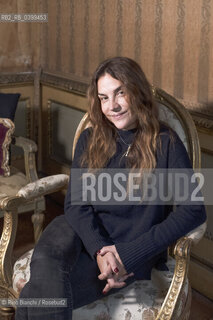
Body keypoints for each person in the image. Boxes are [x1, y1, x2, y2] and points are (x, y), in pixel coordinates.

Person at [15, 57, 206, 319]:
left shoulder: (167, 143)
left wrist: (127, 254)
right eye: (103, 98)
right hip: (77, 231)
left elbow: (193, 210)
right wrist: (99, 249)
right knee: (46, 261)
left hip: (129, 248)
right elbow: (76, 204)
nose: (112, 106)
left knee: (34, 298)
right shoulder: (90, 138)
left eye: (120, 93)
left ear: (137, 91)